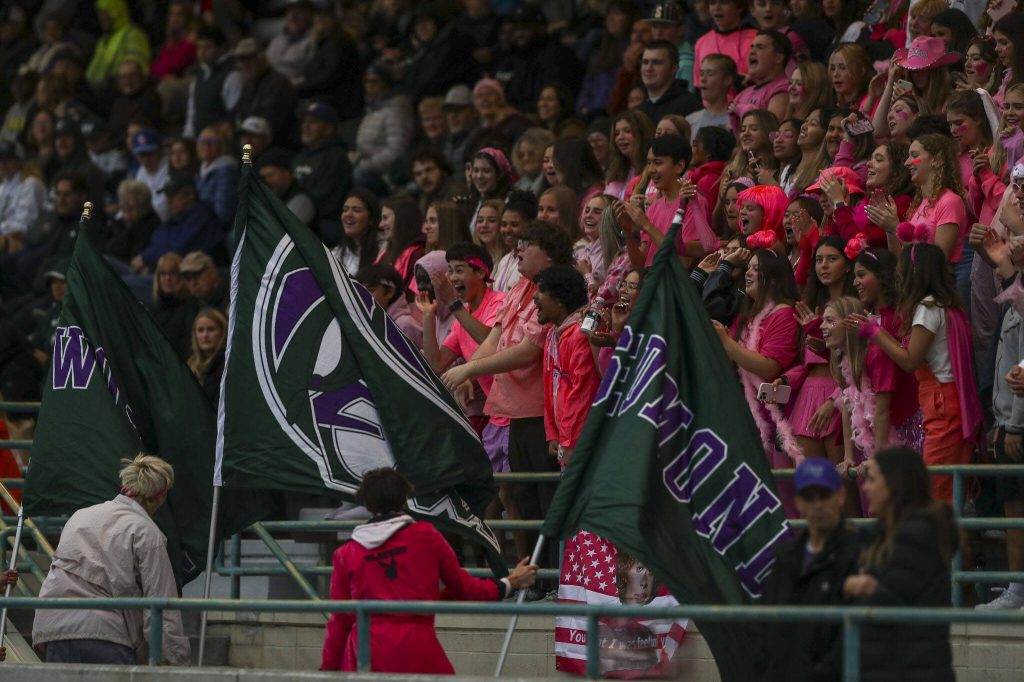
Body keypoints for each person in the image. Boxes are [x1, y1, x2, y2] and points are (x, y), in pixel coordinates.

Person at [320, 468, 538, 673]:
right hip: (417, 646)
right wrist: (511, 582)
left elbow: (340, 620)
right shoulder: (427, 536)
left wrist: (326, 670)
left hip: (364, 651)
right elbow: (466, 589)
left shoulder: (346, 553)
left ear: (366, 503)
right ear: (404, 498)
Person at [32, 454, 189, 665]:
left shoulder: (80, 516)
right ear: (161, 495)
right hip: (106, 635)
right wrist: (177, 663)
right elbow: (160, 608)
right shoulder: (147, 533)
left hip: (53, 629)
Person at [843, 446, 959, 682]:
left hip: (911, 668)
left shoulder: (918, 533)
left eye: (872, 480)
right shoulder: (884, 532)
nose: (865, 488)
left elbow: (892, 596)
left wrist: (857, 586)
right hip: (891, 664)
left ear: (895, 483)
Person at [758, 457, 860, 681]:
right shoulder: (785, 556)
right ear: (797, 502)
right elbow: (771, 629)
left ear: (841, 496)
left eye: (824, 495)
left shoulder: (860, 556)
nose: (817, 505)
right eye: (809, 497)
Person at [535, 265, 600, 468]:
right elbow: (549, 389)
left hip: (583, 444)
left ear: (560, 300)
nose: (534, 298)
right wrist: (553, 433)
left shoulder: (580, 335)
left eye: (541, 291)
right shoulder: (553, 335)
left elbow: (582, 393)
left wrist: (571, 443)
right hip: (567, 440)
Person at [292, 100, 351, 242]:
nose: (306, 126)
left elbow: (330, 199)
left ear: (329, 128)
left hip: (324, 221)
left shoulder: (337, 156)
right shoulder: (299, 157)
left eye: (313, 122)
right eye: (304, 121)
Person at [183, 25, 242, 140]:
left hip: (222, 144)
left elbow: (235, 117)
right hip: (199, 144)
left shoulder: (232, 76)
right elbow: (192, 115)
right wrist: (187, 140)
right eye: (199, 48)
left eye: (207, 47)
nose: (201, 52)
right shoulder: (199, 77)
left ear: (222, 48)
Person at [637, 40, 701, 124]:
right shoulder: (639, 111)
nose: (648, 68)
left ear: (674, 68)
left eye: (656, 63)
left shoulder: (690, 106)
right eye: (645, 62)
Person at [187, 308, 227, 404]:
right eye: (200, 330)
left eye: (211, 329)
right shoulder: (190, 367)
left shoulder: (227, 365)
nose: (205, 335)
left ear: (222, 333)